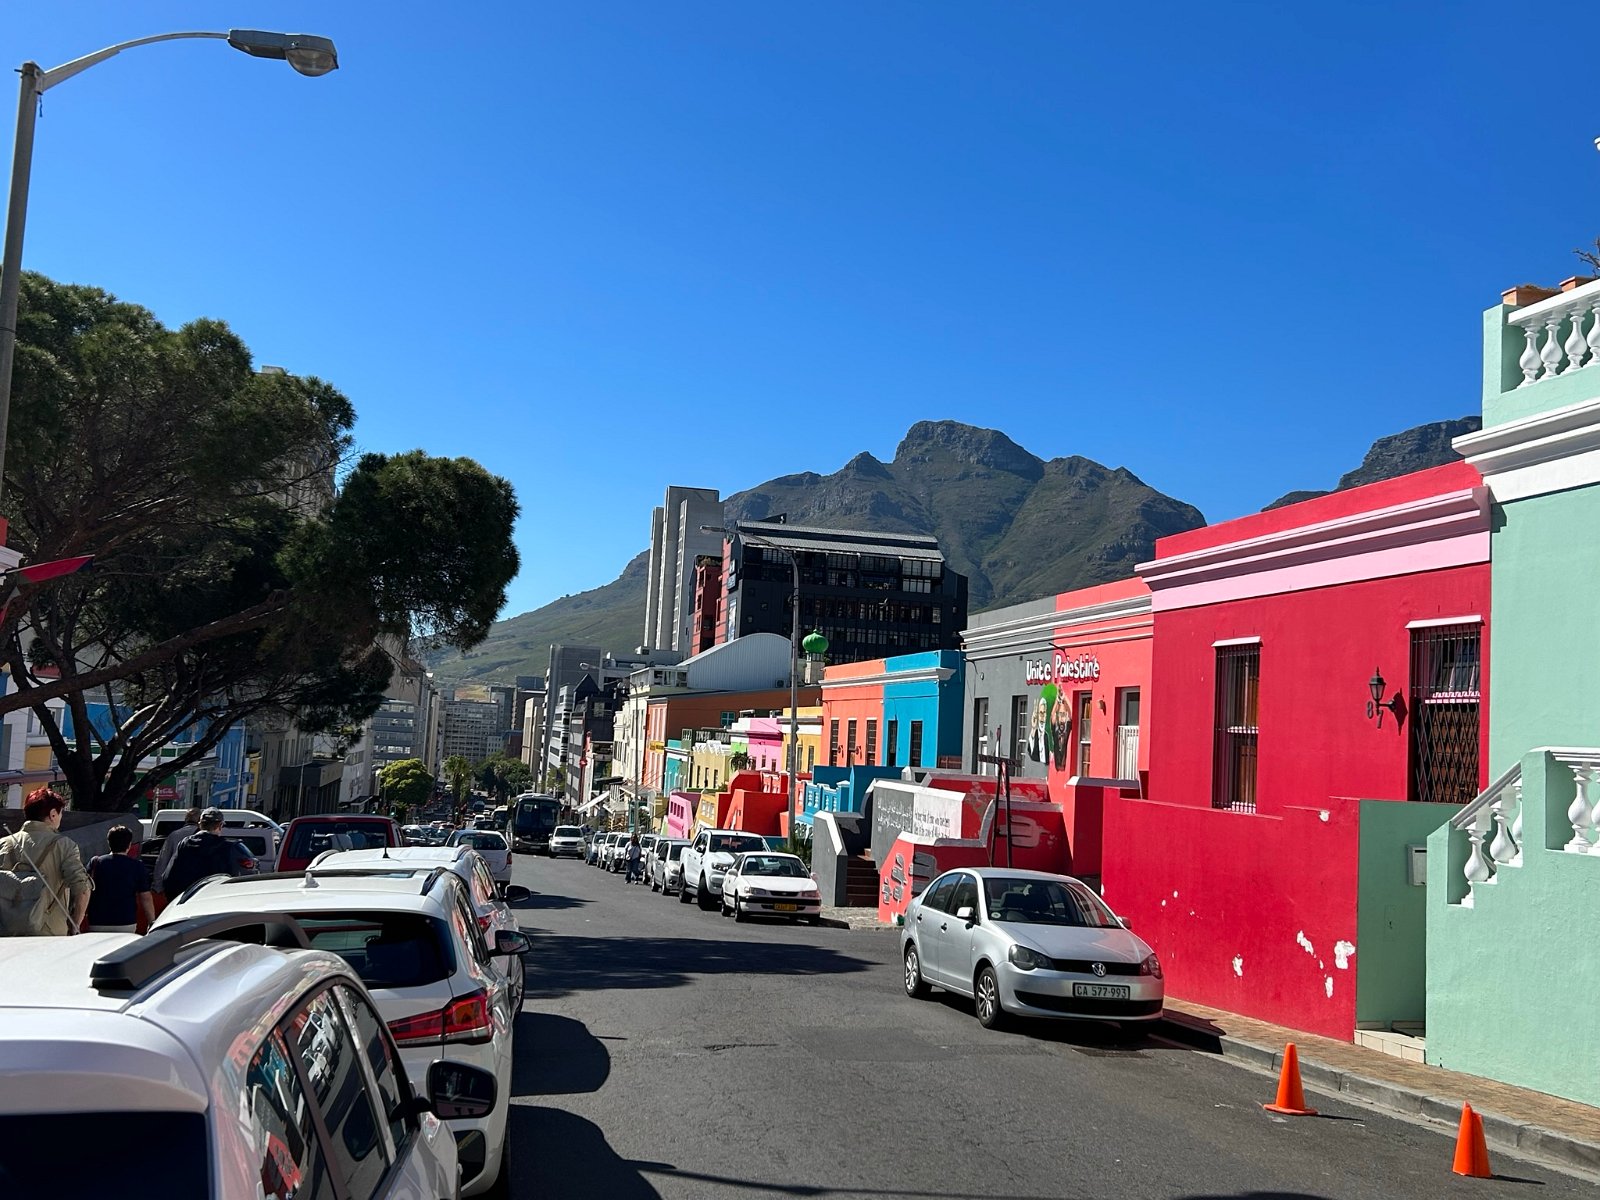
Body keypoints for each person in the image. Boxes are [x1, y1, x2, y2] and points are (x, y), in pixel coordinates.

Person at [0, 788, 92, 936]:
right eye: (61, 813)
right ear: (53, 814)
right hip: (49, 933)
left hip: (6, 933)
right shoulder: (64, 845)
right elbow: (82, 889)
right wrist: (75, 924)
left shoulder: (4, 843)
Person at [162, 809, 255, 897]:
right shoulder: (228, 848)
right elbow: (238, 881)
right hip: (215, 900)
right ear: (220, 825)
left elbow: (168, 878)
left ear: (200, 824)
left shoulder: (185, 844)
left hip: (189, 900)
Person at [85, 825, 154, 934]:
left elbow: (84, 891)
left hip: (97, 920)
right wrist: (151, 922)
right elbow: (146, 897)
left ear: (109, 842)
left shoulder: (95, 863)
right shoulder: (137, 866)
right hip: (126, 921)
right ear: (129, 845)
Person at [152, 805, 203, 896]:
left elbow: (162, 861)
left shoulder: (174, 835)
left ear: (186, 819)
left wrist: (158, 886)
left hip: (175, 883)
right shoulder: (204, 837)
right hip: (198, 884)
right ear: (200, 820)